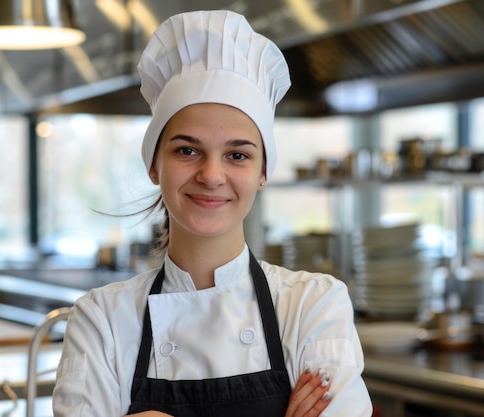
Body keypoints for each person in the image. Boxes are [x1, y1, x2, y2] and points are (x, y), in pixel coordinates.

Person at [53, 10, 373, 417]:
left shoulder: (314, 304)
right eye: (187, 150)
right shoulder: (101, 321)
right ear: (155, 165)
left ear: (262, 174)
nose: (211, 175)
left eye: (237, 155)